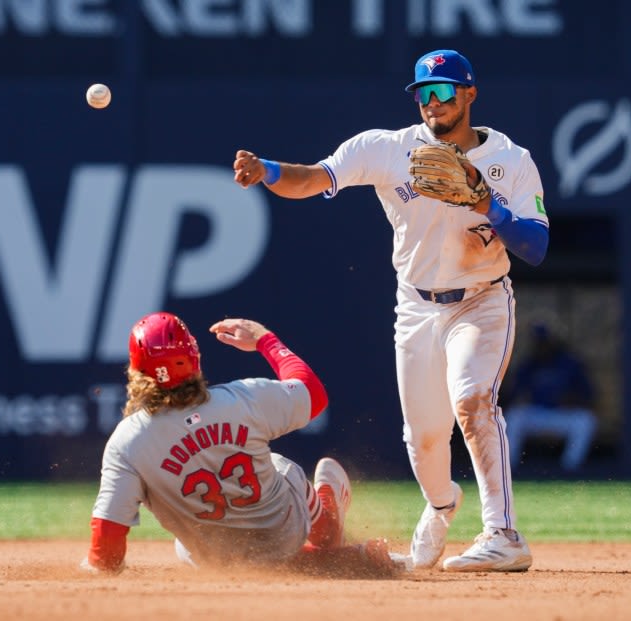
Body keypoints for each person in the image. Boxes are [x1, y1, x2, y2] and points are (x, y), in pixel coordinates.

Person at [232, 49, 548, 572]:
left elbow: (535, 247)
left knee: (472, 401)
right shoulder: (387, 149)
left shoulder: (511, 160)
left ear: (470, 94)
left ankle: (504, 534)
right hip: (417, 306)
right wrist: (266, 170)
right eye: (423, 92)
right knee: (422, 438)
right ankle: (443, 506)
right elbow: (311, 178)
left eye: (444, 91)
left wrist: (487, 205)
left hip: (481, 300)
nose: (432, 102)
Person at [81, 312, 397, 576]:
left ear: (136, 370)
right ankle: (327, 532)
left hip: (213, 556)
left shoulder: (127, 441)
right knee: (278, 465)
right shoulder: (242, 399)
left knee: (184, 547)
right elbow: (314, 394)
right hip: (284, 531)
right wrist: (264, 340)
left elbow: (106, 553)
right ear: (194, 358)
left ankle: (318, 558)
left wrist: (95, 568)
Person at [503, 323, 598, 473]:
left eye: (544, 342)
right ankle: (509, 468)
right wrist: (520, 399)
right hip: (536, 414)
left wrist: (574, 401)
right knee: (513, 417)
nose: (542, 346)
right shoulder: (528, 365)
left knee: (585, 421)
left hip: (561, 415)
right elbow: (513, 395)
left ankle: (570, 469)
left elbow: (588, 395)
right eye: (538, 342)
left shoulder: (570, 364)